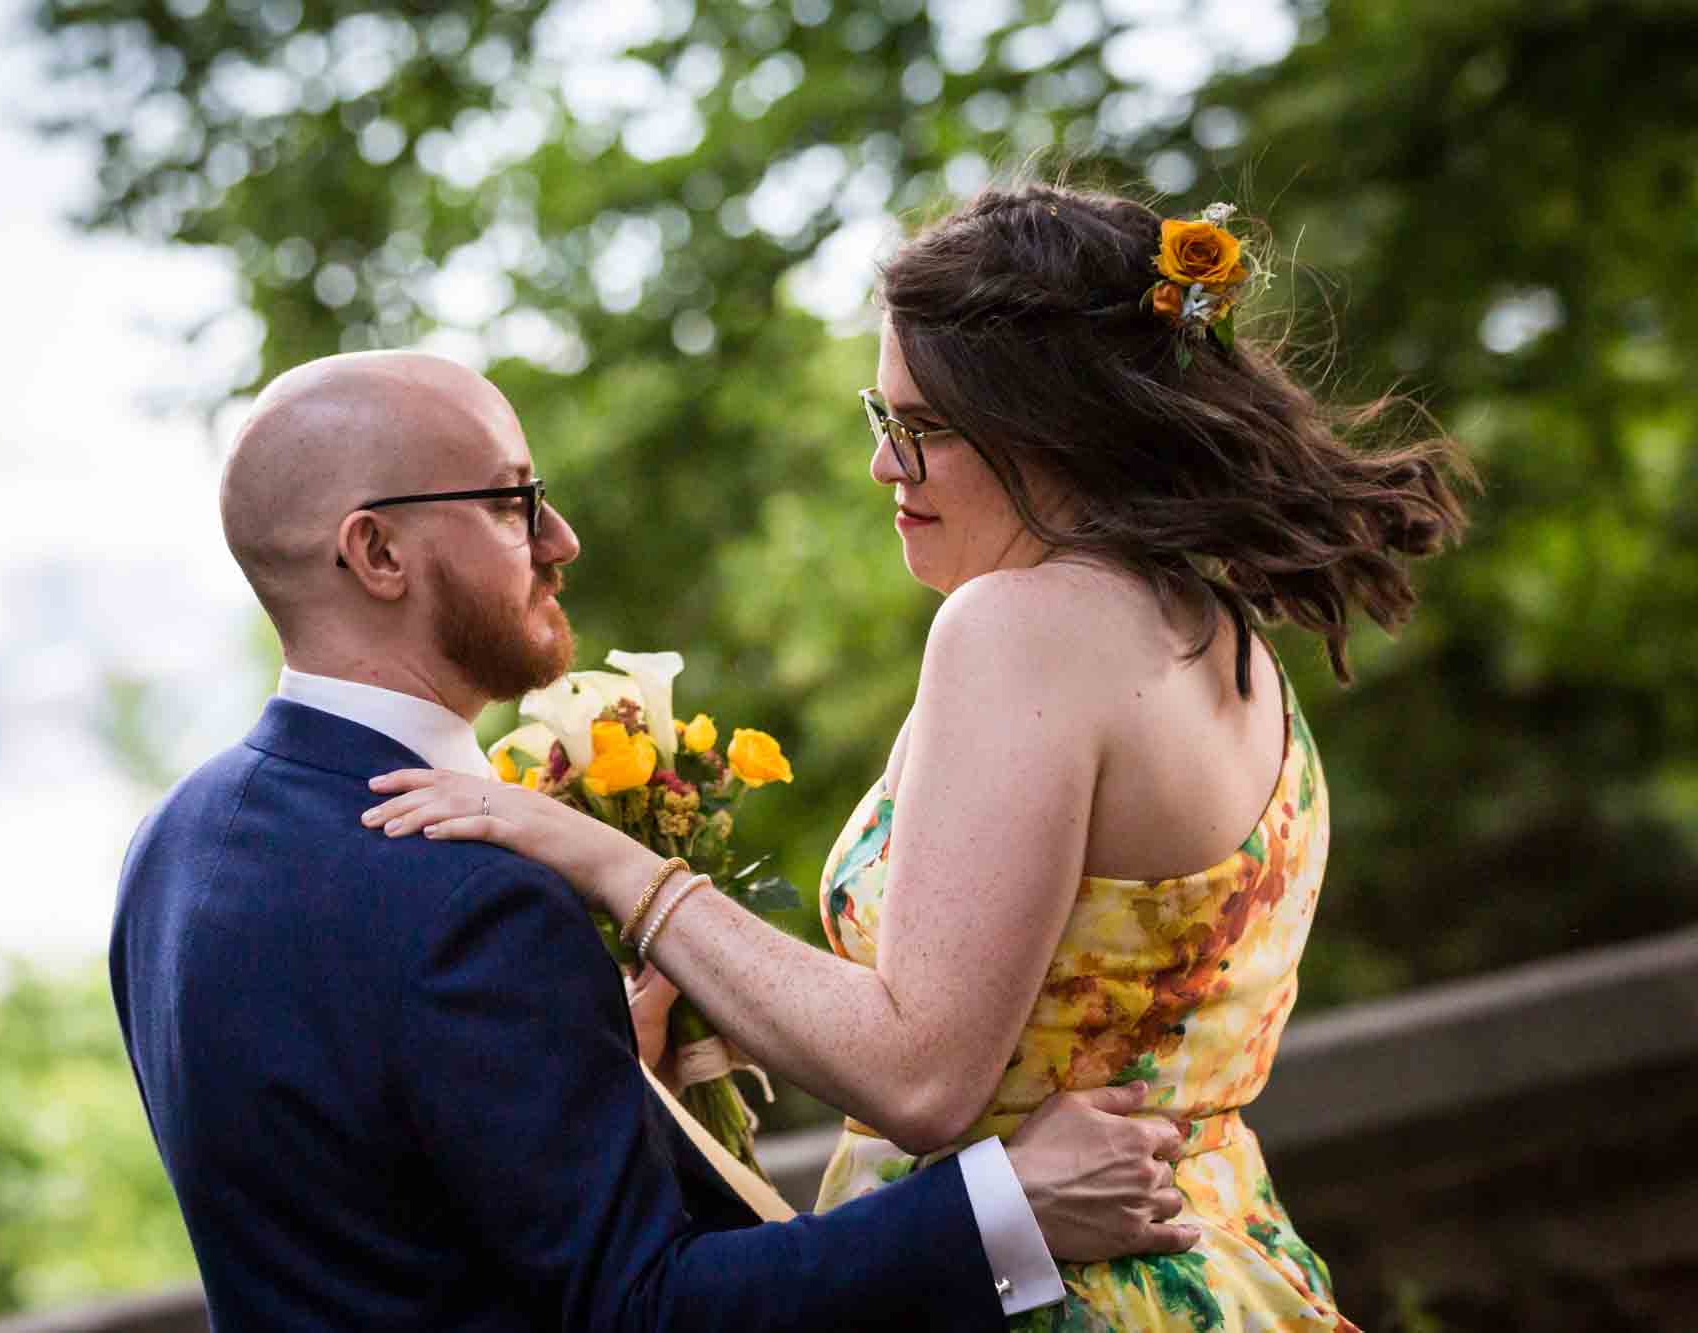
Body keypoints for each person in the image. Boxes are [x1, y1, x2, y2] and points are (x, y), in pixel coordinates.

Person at [368, 181, 1469, 1331]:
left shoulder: (1017, 628)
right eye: (876, 416)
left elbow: (922, 1076)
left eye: (919, 429)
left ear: (1048, 424)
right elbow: (1044, 1003)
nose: (885, 467)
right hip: (1225, 1264)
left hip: (1053, 1295)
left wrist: (607, 864)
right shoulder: (1215, 633)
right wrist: (719, 999)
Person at [110, 348, 1200, 1332]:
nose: (559, 539)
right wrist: (1005, 1211)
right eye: (509, 501)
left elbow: (375, 1203)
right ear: (377, 550)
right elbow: (640, 1309)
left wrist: (599, 1078)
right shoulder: (466, 896)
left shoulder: (170, 846)